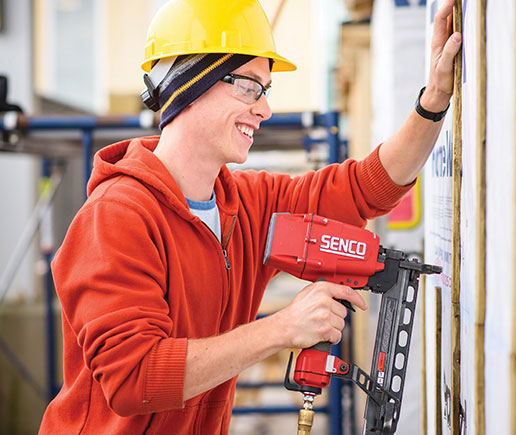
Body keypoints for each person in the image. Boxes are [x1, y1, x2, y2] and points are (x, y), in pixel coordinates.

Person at [39, 0, 461, 433]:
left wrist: (433, 101)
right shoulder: (116, 217)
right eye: (249, 86)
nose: (265, 109)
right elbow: (135, 379)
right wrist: (281, 329)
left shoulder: (248, 205)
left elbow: (365, 188)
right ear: (192, 82)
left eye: (266, 90)